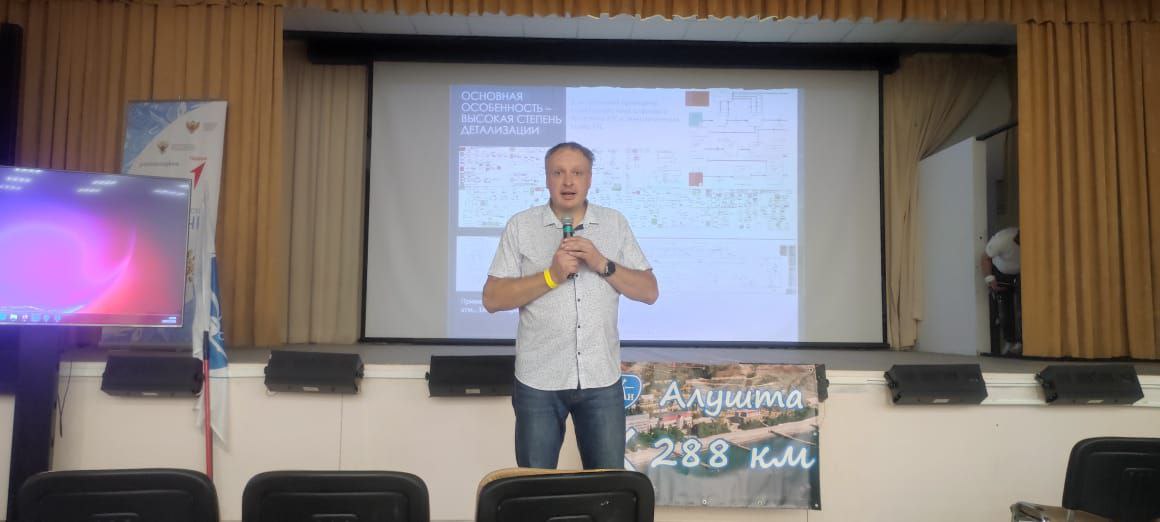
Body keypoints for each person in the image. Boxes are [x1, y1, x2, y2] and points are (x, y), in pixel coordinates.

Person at [482, 142, 659, 470]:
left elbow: (649, 291)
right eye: (558, 173)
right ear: (546, 178)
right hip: (538, 381)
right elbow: (492, 298)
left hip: (601, 379)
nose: (568, 181)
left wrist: (601, 262)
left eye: (577, 173)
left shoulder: (614, 223)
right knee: (533, 489)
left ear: (589, 179)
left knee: (607, 488)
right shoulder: (521, 225)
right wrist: (550, 276)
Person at [981, 226, 1021, 355]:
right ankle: (1010, 341)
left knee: (1023, 307)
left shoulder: (1033, 242)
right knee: (1005, 307)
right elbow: (985, 258)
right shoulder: (1002, 239)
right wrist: (990, 279)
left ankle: (1022, 342)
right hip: (1001, 272)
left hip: (1021, 273)